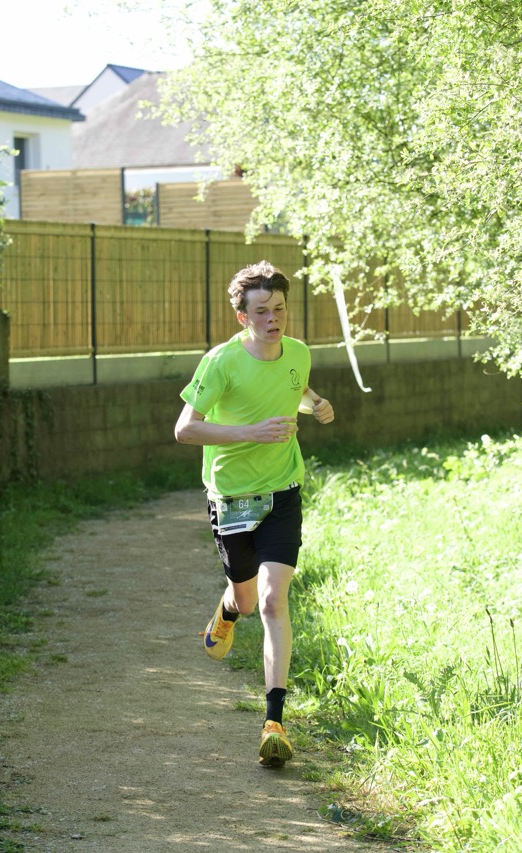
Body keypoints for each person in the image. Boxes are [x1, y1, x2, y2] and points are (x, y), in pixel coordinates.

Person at [174, 260, 335, 767]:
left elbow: (295, 388)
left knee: (270, 602)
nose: (273, 319)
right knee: (245, 601)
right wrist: (250, 432)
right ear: (242, 317)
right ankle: (226, 610)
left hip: (283, 491)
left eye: (279, 308)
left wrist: (316, 404)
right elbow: (184, 429)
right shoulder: (220, 362)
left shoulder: (299, 352)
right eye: (261, 311)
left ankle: (274, 724)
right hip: (231, 497)